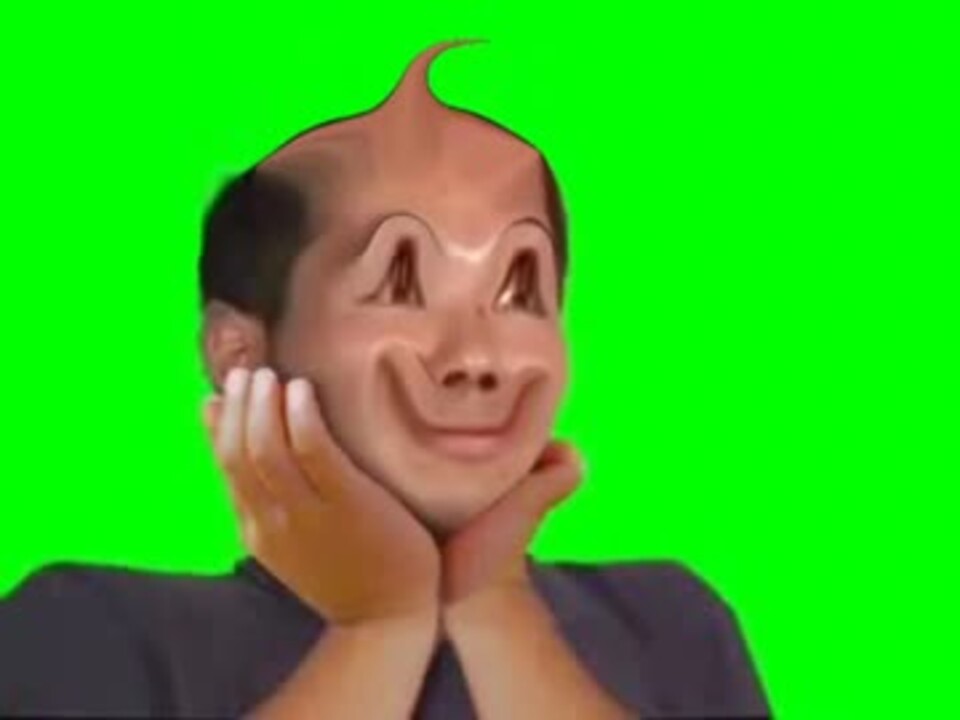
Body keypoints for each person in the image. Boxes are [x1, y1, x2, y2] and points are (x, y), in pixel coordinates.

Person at [0, 41, 771, 718]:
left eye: (520, 291)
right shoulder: (89, 630)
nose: (477, 358)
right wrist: (376, 628)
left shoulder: (671, 626)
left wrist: (494, 604)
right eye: (400, 284)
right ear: (239, 353)